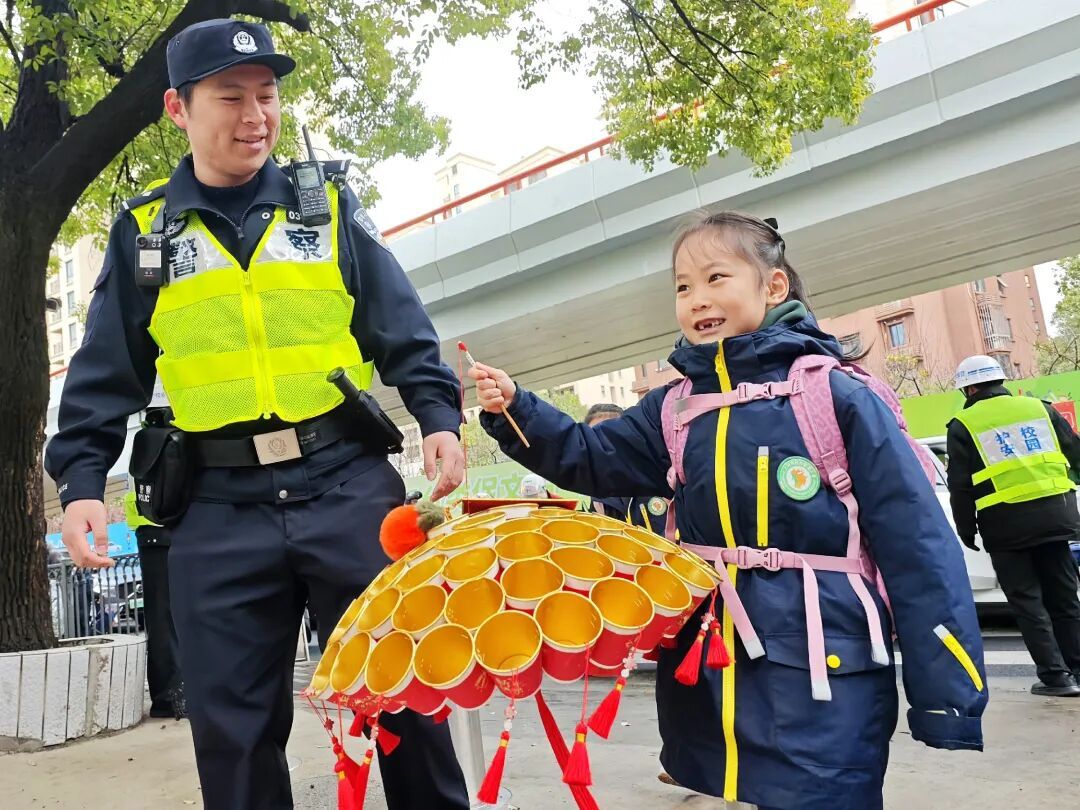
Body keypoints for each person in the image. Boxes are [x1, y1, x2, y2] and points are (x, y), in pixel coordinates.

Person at [44, 18, 468, 810]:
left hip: (348, 490)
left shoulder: (329, 205)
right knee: (231, 733)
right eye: (230, 97)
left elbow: (400, 326)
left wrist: (438, 416)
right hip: (215, 509)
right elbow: (106, 377)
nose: (255, 116)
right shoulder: (145, 235)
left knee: (406, 696)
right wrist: (80, 485)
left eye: (268, 96)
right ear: (178, 108)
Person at [469, 211, 985, 809]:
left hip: (823, 671)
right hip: (717, 665)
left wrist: (947, 696)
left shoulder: (838, 393)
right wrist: (516, 409)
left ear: (774, 286)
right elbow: (591, 456)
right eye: (683, 287)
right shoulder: (676, 407)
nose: (696, 299)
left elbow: (918, 545)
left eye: (716, 278)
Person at [947, 355, 1080, 697]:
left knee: (1027, 602)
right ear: (1001, 380)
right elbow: (1076, 454)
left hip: (1005, 527)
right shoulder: (1040, 408)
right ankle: (1078, 668)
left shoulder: (963, 424)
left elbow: (960, 485)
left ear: (970, 388)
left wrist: (966, 528)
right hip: (1056, 518)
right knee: (1065, 598)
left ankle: (1056, 677)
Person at [583, 403, 669, 535]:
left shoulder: (662, 482)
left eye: (612, 438)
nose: (604, 448)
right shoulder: (597, 500)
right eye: (595, 440)